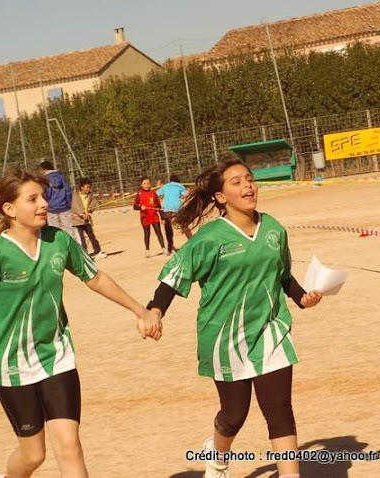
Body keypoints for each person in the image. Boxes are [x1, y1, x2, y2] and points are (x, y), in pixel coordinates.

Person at [0, 167, 161, 478]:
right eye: (32, 199)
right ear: (9, 209)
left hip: (57, 358)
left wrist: (139, 310)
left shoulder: (59, 241)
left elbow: (96, 277)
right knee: (33, 455)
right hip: (13, 367)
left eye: (43, 197)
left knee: (69, 445)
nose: (44, 204)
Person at [146, 160, 322, 478]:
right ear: (221, 196)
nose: (248, 186)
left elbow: (283, 275)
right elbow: (174, 277)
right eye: (237, 182)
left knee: (280, 411)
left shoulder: (274, 229)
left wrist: (302, 297)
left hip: (271, 330)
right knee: (234, 414)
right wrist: (155, 311)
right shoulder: (210, 238)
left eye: (250, 180)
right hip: (225, 337)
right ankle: (217, 456)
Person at [38, 160, 79, 243]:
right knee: (69, 229)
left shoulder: (45, 179)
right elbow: (68, 191)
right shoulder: (61, 176)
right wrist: (68, 204)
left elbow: (46, 194)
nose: (40, 171)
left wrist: (48, 204)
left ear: (45, 169)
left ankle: (59, 248)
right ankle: (73, 247)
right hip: (64, 207)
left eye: (41, 169)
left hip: (51, 209)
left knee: (54, 231)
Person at [71, 177, 107, 259]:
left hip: (87, 221)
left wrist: (91, 208)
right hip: (77, 221)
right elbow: (75, 206)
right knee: (81, 239)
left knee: (92, 236)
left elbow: (93, 203)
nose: (88, 189)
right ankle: (84, 255)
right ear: (81, 187)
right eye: (87, 187)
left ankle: (97, 251)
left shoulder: (90, 195)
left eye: (89, 187)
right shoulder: (75, 196)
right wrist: (82, 214)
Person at [133, 176, 168, 258]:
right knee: (147, 233)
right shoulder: (139, 194)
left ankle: (163, 248)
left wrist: (162, 217)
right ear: (141, 185)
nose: (147, 185)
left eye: (148, 183)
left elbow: (158, 206)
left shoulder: (153, 193)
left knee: (158, 232)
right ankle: (147, 250)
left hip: (154, 216)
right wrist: (140, 207)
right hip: (145, 217)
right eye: (144, 183)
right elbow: (134, 207)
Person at [157, 174, 192, 253]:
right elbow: (185, 195)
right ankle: (191, 241)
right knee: (184, 225)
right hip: (177, 208)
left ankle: (171, 247)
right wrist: (188, 191)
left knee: (168, 228)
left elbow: (156, 194)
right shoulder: (180, 186)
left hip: (166, 208)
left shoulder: (165, 186)